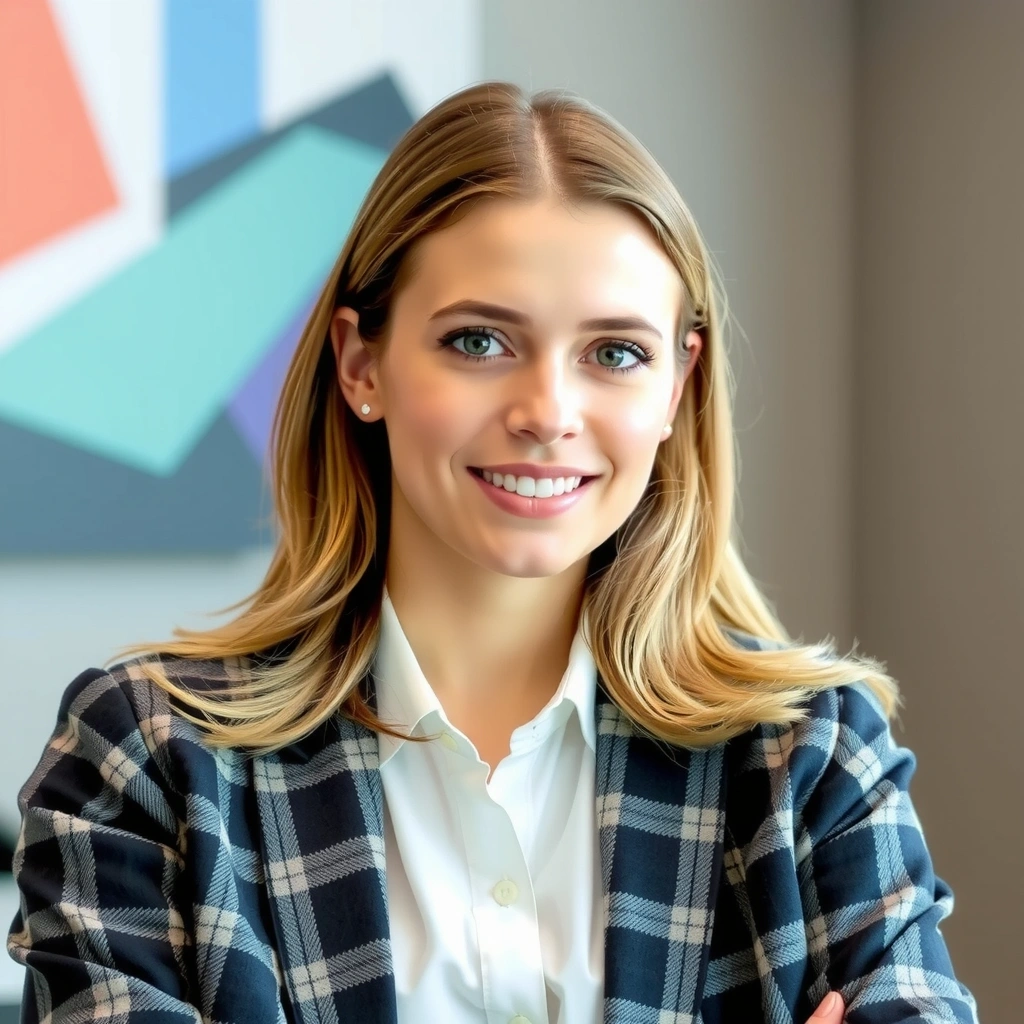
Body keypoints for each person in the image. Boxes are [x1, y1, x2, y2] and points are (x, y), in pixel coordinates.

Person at [6, 81, 978, 1024]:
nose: (547, 414)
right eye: (478, 341)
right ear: (360, 365)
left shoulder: (813, 759)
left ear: (677, 386)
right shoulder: (145, 759)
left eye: (615, 352)